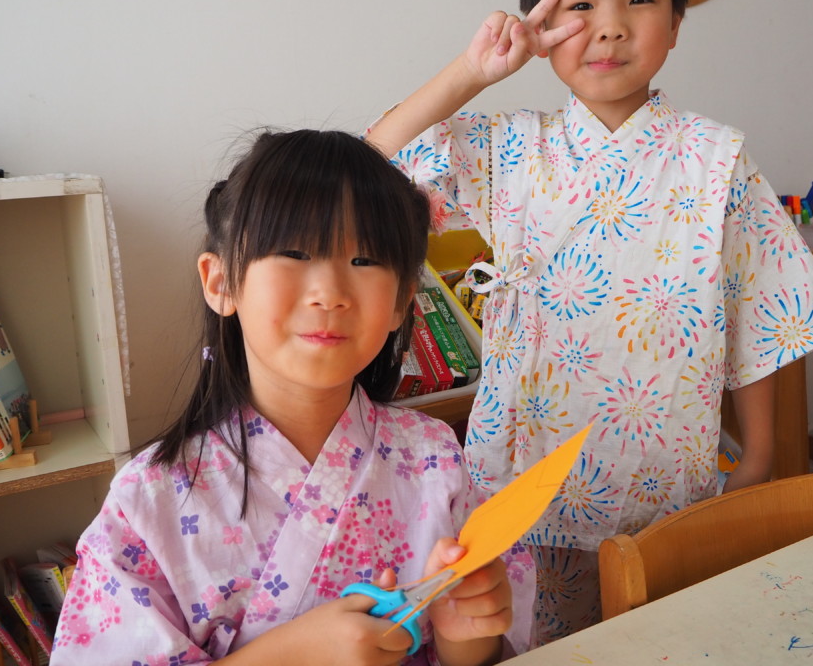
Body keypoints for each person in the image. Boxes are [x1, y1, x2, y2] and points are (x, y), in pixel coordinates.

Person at [366, 0, 813, 644]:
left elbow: (759, 310)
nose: (611, 26)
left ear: (677, 24)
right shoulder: (511, 149)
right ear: (541, 29)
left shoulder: (716, 158)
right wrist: (475, 71)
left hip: (670, 501)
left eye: (641, 0)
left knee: (662, 645)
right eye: (581, 5)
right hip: (521, 492)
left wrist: (756, 459)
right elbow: (377, 159)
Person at [50, 129, 535, 665]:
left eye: (366, 260)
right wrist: (290, 655)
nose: (330, 292)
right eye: (294, 252)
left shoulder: (434, 456)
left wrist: (466, 632)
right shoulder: (150, 500)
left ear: (402, 299)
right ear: (221, 282)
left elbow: (481, 653)